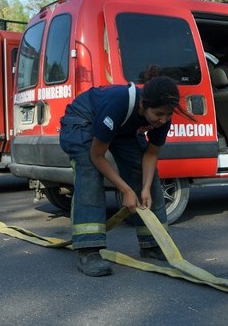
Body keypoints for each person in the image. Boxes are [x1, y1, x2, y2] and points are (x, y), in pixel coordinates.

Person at [59, 72, 195, 277]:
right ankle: (88, 250)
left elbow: (151, 155)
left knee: (142, 172)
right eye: (159, 114)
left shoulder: (162, 116)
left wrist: (145, 187)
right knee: (90, 171)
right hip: (83, 119)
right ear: (143, 104)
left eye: (167, 115)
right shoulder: (118, 104)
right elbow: (97, 156)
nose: (163, 119)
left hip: (122, 128)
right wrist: (126, 190)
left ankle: (153, 244)